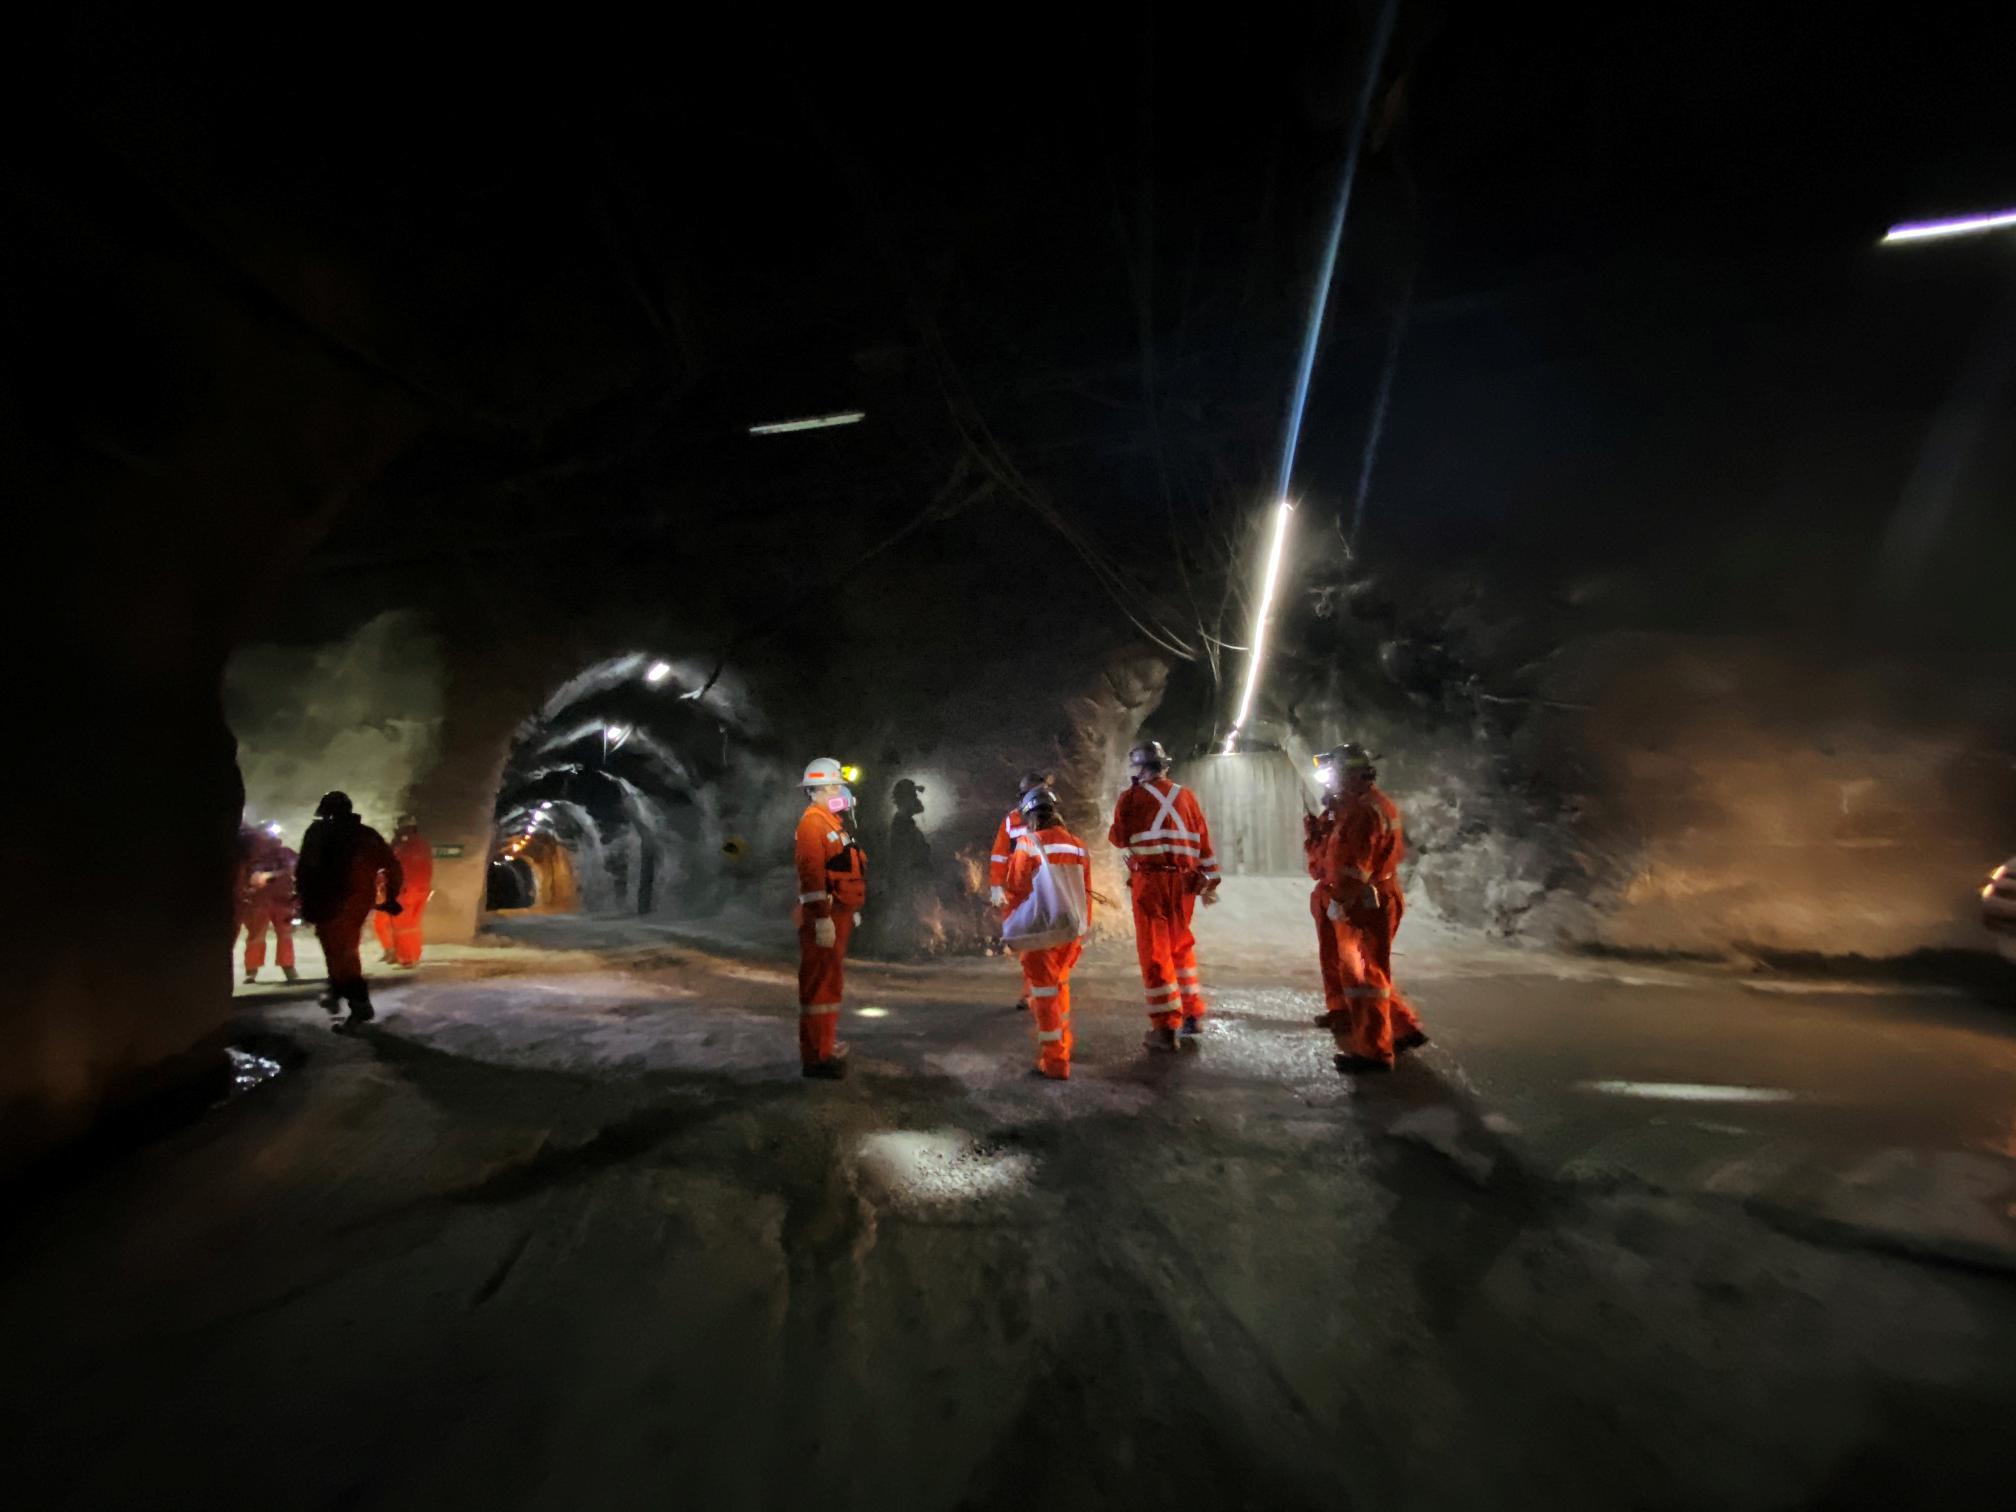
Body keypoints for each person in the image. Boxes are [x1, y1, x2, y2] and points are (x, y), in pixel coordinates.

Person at [1307, 744, 1428, 1072]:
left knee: (1363, 979)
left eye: (1334, 775)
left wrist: (1342, 901)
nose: (1330, 782)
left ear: (1349, 775)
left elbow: (1352, 867)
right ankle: (1401, 1028)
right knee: (1371, 971)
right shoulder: (1367, 804)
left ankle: (1374, 1052)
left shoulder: (1362, 812)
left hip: (1361, 902)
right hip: (1370, 895)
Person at [1106, 740, 1220, 1052]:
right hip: (1184, 883)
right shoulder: (1187, 796)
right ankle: (1192, 1014)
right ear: (1164, 766)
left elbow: (1119, 838)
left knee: (1155, 952)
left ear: (1139, 769)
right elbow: (1203, 840)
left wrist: (1130, 800)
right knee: (1180, 947)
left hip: (1151, 882)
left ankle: (1165, 1027)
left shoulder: (1132, 797)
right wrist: (1210, 879)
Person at [1003, 785, 1092, 1079]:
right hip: (1070, 930)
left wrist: (1014, 926)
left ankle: (1054, 1062)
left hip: (1041, 933)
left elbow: (1015, 889)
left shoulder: (1028, 844)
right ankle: (1063, 1047)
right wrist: (1081, 930)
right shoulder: (1078, 845)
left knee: (1043, 996)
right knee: (1060, 987)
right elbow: (1086, 893)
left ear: (1032, 817)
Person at [295, 791, 401, 1030]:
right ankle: (337, 990)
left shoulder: (318, 833)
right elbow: (392, 866)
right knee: (343, 948)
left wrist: (303, 900)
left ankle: (357, 1001)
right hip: (358, 902)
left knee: (339, 950)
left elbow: (305, 870)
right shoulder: (367, 835)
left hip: (328, 900)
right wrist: (391, 895)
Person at [793, 757, 868, 1079]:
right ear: (819, 789)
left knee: (830, 983)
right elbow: (811, 876)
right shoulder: (812, 824)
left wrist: (851, 909)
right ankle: (816, 1058)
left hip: (838, 913)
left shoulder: (830, 822)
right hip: (824, 916)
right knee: (819, 986)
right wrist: (822, 918)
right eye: (836, 787)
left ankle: (824, 1044)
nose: (840, 793)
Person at [989, 767, 1054, 1008]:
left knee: (1040, 943)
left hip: (1042, 888)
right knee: (1025, 943)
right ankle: (1037, 986)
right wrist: (996, 885)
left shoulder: (1051, 820)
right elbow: (999, 854)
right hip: (1018, 890)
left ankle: (1035, 990)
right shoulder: (1012, 821)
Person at [238, 823, 299, 984]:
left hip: (283, 900)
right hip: (258, 901)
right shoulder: (253, 855)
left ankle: (288, 966)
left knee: (285, 934)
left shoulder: (286, 853)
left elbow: (298, 869)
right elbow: (252, 878)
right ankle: (252, 970)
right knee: (256, 936)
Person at [373, 813, 435, 967]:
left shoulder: (402, 846)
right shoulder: (422, 844)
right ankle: (413, 955)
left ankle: (406, 958)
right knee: (412, 926)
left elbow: (393, 866)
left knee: (402, 926)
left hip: (405, 891)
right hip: (422, 890)